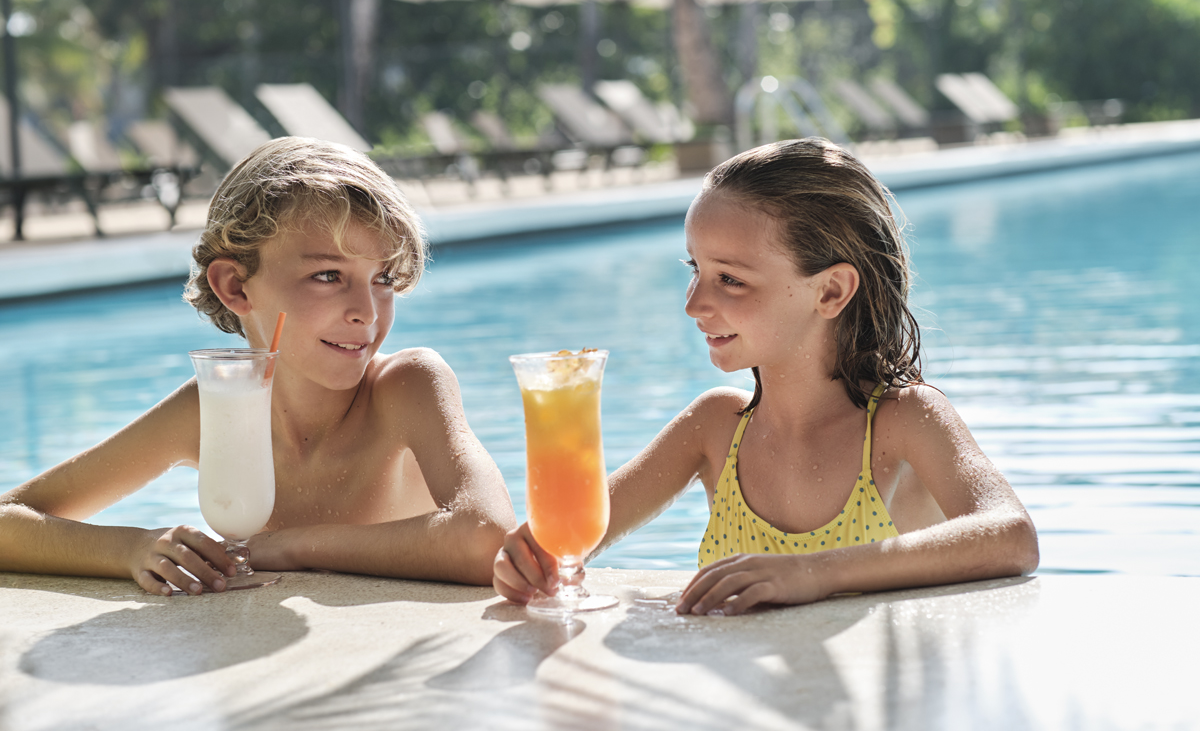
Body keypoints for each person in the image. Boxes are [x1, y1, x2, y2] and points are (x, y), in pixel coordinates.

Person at [494, 138, 1039, 616]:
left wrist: (814, 573)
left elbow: (1011, 537)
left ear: (830, 292)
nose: (694, 305)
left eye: (729, 279)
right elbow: (573, 532)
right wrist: (527, 559)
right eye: (696, 271)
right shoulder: (715, 427)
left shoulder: (903, 421)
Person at [0, 137, 514, 595]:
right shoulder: (216, 406)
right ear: (236, 286)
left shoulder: (406, 387)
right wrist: (134, 549)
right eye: (329, 274)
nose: (367, 310)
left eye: (382, 277)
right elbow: (9, 522)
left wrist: (291, 548)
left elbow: (483, 536)